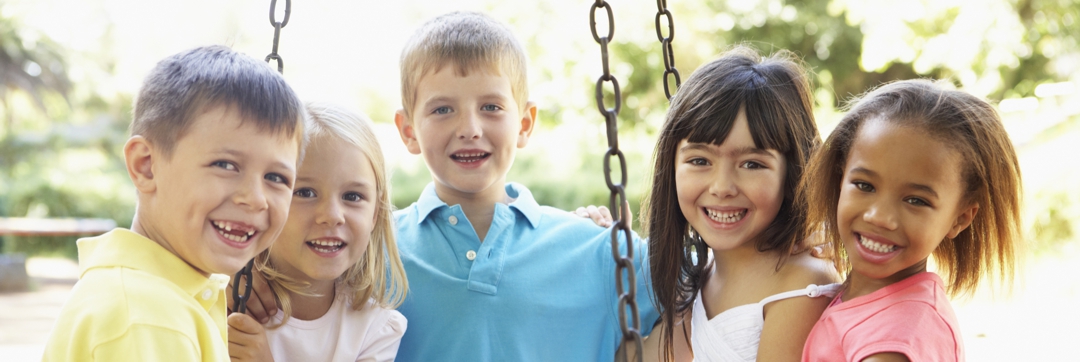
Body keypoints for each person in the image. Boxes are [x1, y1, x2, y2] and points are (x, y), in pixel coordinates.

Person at [42, 45, 305, 361]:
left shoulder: (157, 297)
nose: (255, 198)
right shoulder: (148, 319)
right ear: (146, 166)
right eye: (225, 165)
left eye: (276, 177)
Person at [799, 79, 1023, 361]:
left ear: (960, 219)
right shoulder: (862, 297)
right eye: (865, 185)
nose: (879, 217)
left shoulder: (893, 343)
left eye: (916, 200)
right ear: (840, 177)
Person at [641, 46, 841, 362]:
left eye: (752, 164)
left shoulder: (802, 284)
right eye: (699, 160)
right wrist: (596, 235)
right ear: (671, 166)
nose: (722, 187)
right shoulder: (694, 280)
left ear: (793, 172)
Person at [226, 103, 409, 362]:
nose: (333, 215)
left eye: (352, 196)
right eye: (305, 193)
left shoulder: (373, 330)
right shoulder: (226, 293)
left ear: (375, 214)